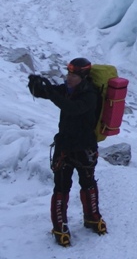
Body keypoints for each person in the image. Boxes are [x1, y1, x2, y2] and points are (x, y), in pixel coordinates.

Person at [27, 57, 106, 247]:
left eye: (73, 75)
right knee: (62, 188)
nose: (69, 78)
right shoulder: (68, 90)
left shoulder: (90, 95)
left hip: (82, 148)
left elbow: (71, 108)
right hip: (68, 147)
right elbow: (47, 94)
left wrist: (51, 92)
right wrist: (36, 86)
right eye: (68, 74)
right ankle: (61, 227)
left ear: (84, 77)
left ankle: (92, 218)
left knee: (87, 184)